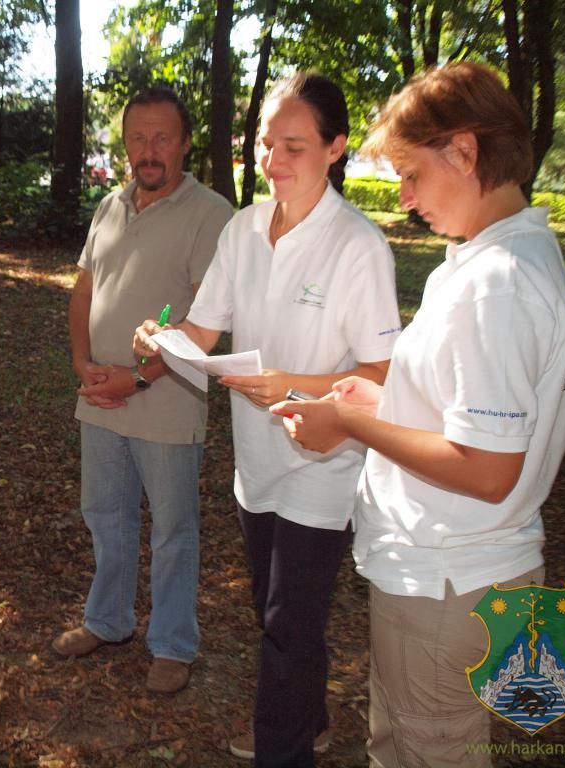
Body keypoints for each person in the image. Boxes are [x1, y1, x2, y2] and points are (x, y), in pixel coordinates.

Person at [269, 62, 565, 768]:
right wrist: (385, 404)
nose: (405, 197)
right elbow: (474, 417)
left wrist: (351, 426)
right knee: (409, 745)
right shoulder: (505, 256)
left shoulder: (496, 284)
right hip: (471, 568)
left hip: (448, 581)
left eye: (411, 174)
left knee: (426, 751)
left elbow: (489, 469)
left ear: (464, 151)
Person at [135, 73, 401, 766]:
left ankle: (283, 745)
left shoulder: (357, 245)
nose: (272, 160)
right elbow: (202, 329)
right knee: (276, 612)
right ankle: (307, 717)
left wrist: (295, 387)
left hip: (325, 463)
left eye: (294, 146)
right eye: (264, 143)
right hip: (257, 464)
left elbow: (380, 374)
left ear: (336, 148)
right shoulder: (244, 228)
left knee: (287, 620)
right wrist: (160, 338)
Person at [52, 87, 233, 694]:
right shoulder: (110, 206)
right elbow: (84, 290)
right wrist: (83, 363)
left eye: (162, 138)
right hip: (100, 396)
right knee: (105, 515)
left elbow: (207, 319)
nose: (148, 151)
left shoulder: (211, 214)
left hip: (168, 399)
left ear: (185, 144)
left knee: (173, 528)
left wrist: (138, 377)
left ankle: (173, 644)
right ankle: (108, 620)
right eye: (137, 138)